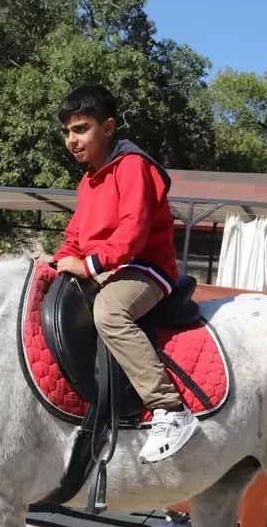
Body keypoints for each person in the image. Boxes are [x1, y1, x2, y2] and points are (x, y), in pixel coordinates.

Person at [50, 85, 199, 463]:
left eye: (81, 129)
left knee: (110, 312)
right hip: (110, 267)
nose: (71, 140)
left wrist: (88, 266)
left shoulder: (133, 166)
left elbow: (133, 232)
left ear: (108, 127)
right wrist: (56, 264)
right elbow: (75, 237)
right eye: (67, 131)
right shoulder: (89, 180)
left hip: (146, 267)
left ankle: (169, 408)